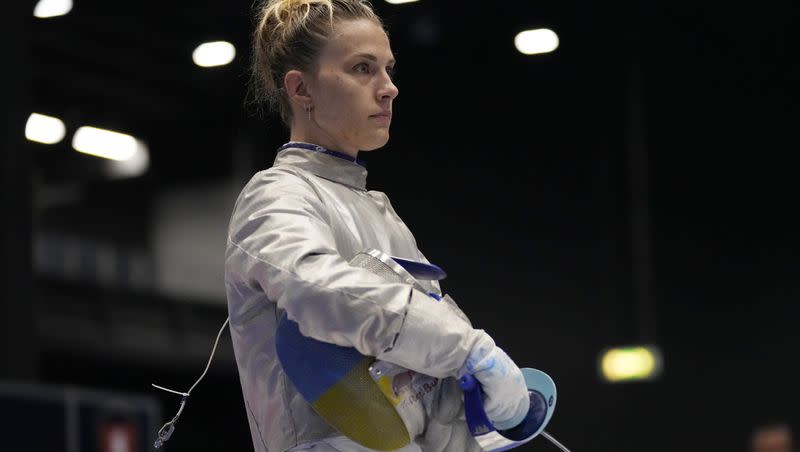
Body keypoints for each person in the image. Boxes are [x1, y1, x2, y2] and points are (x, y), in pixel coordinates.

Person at [225, 1, 530, 450]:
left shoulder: (381, 212)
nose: (389, 88)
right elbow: (317, 289)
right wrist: (466, 349)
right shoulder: (275, 195)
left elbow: (431, 375)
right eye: (363, 69)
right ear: (301, 88)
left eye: (388, 69)